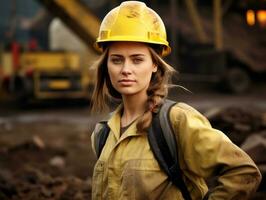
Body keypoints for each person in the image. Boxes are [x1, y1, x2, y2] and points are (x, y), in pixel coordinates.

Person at [90, 1, 262, 199]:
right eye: (117, 60)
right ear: (107, 65)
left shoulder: (177, 122)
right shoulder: (102, 134)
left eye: (137, 59)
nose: (125, 69)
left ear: (155, 64)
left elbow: (243, 172)